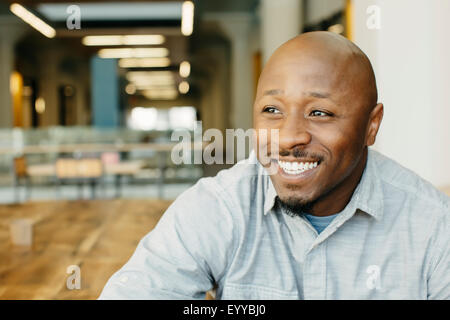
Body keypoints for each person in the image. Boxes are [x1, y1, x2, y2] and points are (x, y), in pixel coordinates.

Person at [99, 31, 449, 300]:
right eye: (272, 111)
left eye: (320, 113)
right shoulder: (219, 208)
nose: (287, 138)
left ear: (371, 126)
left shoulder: (431, 226)